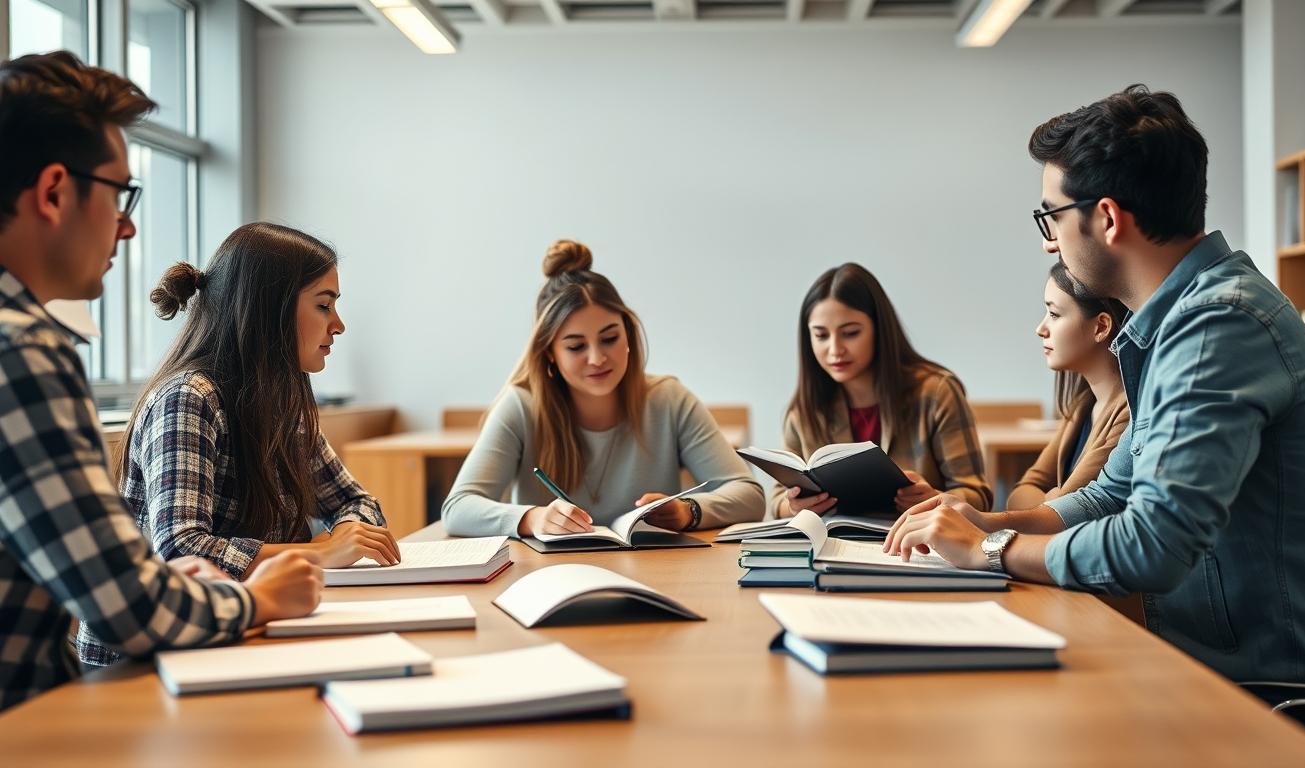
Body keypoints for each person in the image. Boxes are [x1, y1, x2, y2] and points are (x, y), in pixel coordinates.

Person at [885, 85, 1305, 683]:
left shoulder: (1219, 324)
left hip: (1271, 689)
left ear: (1105, 218)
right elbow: (1110, 495)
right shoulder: (1177, 322)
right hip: (1203, 669)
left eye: (1051, 216)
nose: (1050, 240)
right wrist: (984, 523)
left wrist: (987, 553)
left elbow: (1152, 543)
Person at [0, 51, 320, 710]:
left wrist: (181, 583)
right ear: (55, 191)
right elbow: (124, 605)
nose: (129, 224)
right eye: (120, 194)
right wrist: (252, 598)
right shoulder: (22, 350)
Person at [76, 222, 398, 666]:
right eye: (324, 306)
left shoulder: (282, 405)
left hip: (233, 638)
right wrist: (321, 552)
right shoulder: (188, 397)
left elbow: (358, 502)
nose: (338, 326)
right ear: (270, 310)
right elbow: (181, 548)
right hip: (140, 665)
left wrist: (346, 534)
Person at [442, 239, 764, 537]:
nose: (597, 358)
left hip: (655, 576)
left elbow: (748, 494)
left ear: (628, 336)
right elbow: (457, 508)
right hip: (551, 579)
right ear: (549, 353)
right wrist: (533, 519)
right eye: (575, 346)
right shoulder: (522, 407)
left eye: (610, 338)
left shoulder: (668, 401)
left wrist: (689, 511)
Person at [771, 263, 991, 519]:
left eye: (850, 333)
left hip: (917, 548)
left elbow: (979, 496)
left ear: (879, 329)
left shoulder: (936, 393)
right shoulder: (805, 409)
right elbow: (777, 500)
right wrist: (793, 506)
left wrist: (935, 499)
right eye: (821, 336)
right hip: (835, 548)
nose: (835, 349)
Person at [1005, 260, 1129, 508]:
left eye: (1054, 314)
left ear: (1101, 326)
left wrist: (1049, 499)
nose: (1040, 329)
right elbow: (1020, 493)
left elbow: (1063, 509)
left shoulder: (1129, 413)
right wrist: (1049, 498)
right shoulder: (1084, 404)